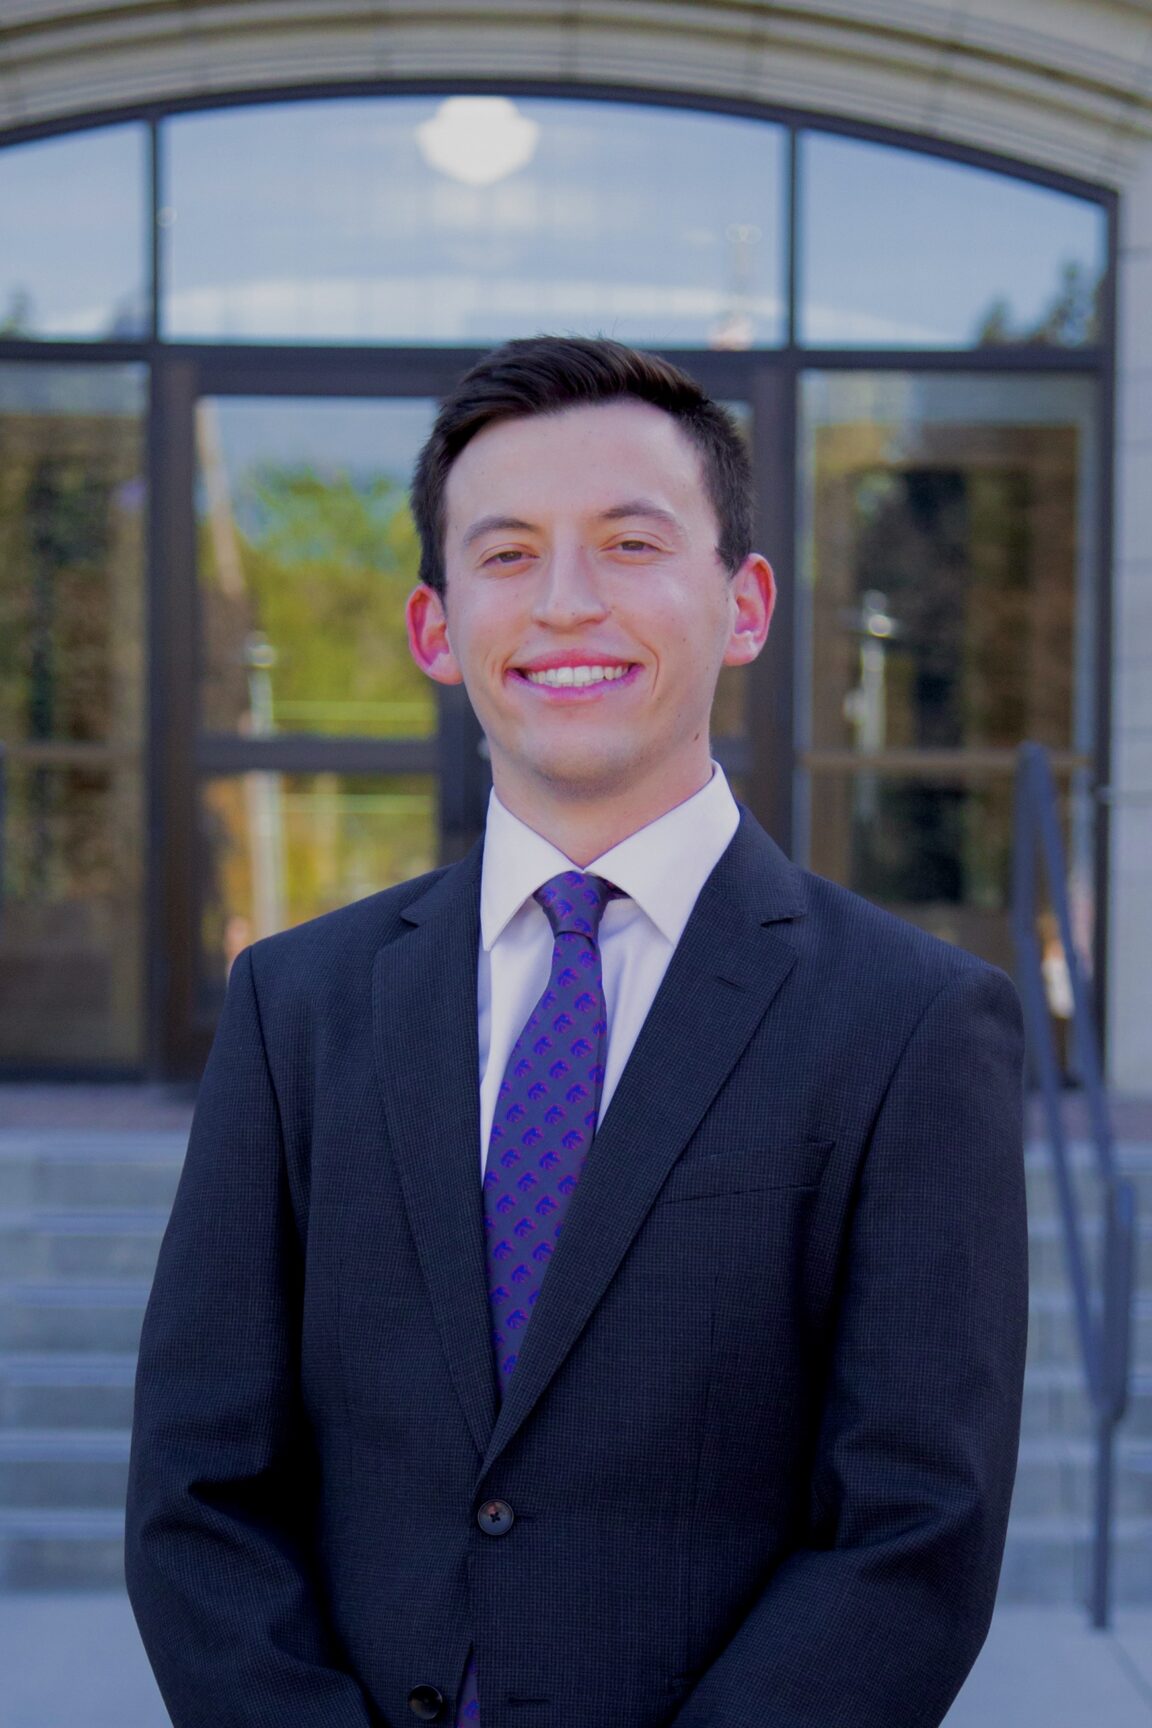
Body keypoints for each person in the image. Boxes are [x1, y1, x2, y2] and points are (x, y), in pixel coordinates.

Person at [125, 336, 1029, 1728]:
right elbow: (199, 1491)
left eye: (629, 543)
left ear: (743, 604)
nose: (565, 604)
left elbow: (911, 1533)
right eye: (506, 555)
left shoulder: (912, 1025)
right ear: (436, 630)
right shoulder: (295, 1009)